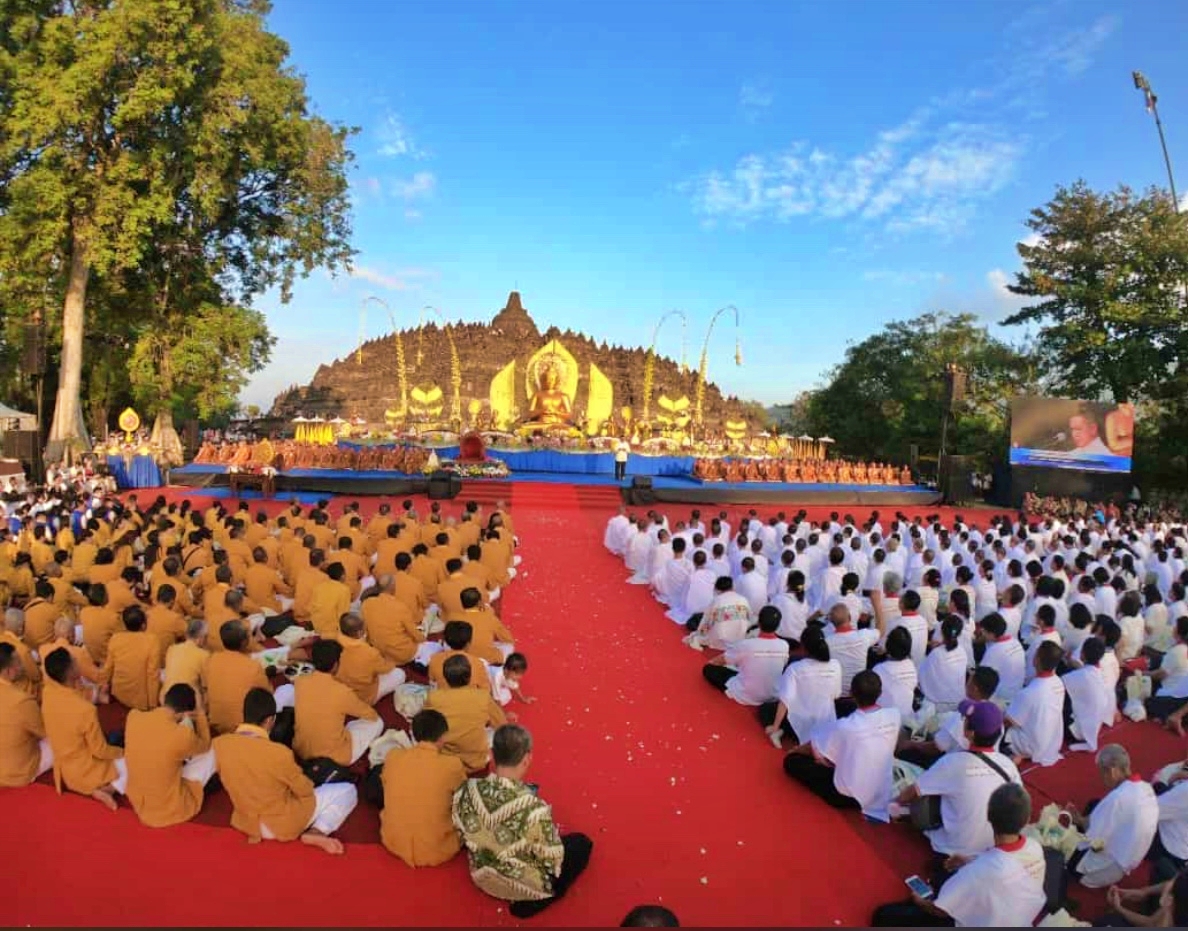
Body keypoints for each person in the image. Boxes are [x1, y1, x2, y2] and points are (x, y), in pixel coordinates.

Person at [453, 724, 593, 918]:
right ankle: (534, 900)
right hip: (519, 884)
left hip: (481, 875)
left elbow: (461, 831)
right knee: (581, 844)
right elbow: (553, 860)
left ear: (492, 754)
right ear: (527, 759)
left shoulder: (466, 789)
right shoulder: (535, 809)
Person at [871, 783, 1047, 927]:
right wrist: (970, 861)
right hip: (1018, 918)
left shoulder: (979, 871)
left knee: (884, 916)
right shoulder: (1035, 848)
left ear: (989, 816)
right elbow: (1006, 867)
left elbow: (939, 911)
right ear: (1026, 819)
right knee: (943, 875)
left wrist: (921, 902)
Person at [213, 688, 358, 855]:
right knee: (348, 790)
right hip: (281, 824)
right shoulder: (278, 753)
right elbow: (304, 790)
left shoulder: (220, 745)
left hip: (246, 822)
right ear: (269, 721)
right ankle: (317, 831)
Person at [895, 701, 1021, 859]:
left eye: (965, 720)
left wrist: (894, 803)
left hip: (952, 850)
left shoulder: (953, 762)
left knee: (923, 797)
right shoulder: (1009, 766)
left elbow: (913, 792)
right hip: (993, 851)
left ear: (970, 733)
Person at [782, 670, 900, 821]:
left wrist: (795, 750)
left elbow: (814, 747)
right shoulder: (894, 715)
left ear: (852, 693)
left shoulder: (846, 726)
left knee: (793, 761)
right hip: (879, 791)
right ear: (880, 693)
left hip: (846, 795)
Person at [40, 647, 127, 810]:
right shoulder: (85, 711)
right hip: (86, 770)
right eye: (75, 661)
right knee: (135, 760)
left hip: (64, 769)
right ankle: (108, 789)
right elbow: (99, 751)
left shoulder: (48, 693)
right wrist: (122, 753)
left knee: (115, 737)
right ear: (72, 671)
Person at [379, 709, 467, 868]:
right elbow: (464, 797)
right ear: (443, 736)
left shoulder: (393, 756)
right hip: (440, 848)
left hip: (394, 841)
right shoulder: (452, 765)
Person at [124, 683, 217, 827]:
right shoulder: (182, 735)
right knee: (214, 750)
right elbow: (205, 745)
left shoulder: (133, 717)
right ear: (184, 713)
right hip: (169, 808)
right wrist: (200, 713)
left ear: (164, 700)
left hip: (139, 801)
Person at [1065, 744, 1159, 889]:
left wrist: (1077, 821)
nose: (1101, 778)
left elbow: (1092, 838)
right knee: (1094, 804)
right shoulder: (1146, 787)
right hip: (1126, 859)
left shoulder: (1117, 798)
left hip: (1103, 869)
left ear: (1112, 771)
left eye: (1102, 773)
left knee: (1062, 848)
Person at [293, 639, 382, 767]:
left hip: (302, 750)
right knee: (377, 722)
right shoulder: (342, 692)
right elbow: (370, 715)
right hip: (333, 758)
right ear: (335, 664)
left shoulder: (300, 679)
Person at [759, 625, 841, 747]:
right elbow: (836, 695)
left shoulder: (795, 668)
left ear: (804, 647)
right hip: (825, 722)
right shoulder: (835, 665)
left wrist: (775, 727)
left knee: (765, 709)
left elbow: (784, 701)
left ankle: (781, 731)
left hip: (800, 721)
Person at [426, 654, 507, 772]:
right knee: (500, 732)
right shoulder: (483, 697)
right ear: (469, 677)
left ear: (445, 677)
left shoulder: (434, 697)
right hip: (476, 760)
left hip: (444, 756)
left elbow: (427, 726)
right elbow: (502, 725)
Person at [702, 605, 788, 705]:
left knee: (709, 669)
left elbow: (721, 660)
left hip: (745, 694)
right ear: (778, 626)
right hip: (772, 695)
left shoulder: (747, 645)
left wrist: (710, 662)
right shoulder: (784, 645)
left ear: (759, 623)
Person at [1004, 641, 1066, 767]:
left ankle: (1011, 756)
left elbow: (1008, 722)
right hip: (1052, 741)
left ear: (1036, 660)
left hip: (1031, 745)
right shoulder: (1058, 683)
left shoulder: (1029, 693)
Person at [0, 641, 53, 787]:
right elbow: (46, 732)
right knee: (64, 737)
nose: (22, 665)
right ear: (8, 671)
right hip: (18, 772)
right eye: (18, 662)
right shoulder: (21, 701)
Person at [99, 605, 164, 712]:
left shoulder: (116, 638)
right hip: (141, 700)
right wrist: (153, 704)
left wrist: (103, 686)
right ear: (143, 625)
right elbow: (152, 674)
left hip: (119, 693)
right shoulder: (152, 640)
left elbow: (108, 667)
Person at [334, 612, 405, 706]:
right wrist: (392, 660)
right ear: (359, 633)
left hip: (343, 691)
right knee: (399, 674)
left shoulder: (334, 644)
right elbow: (385, 669)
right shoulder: (369, 652)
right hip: (363, 696)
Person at [1061, 636, 1113, 752]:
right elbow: (1082, 671)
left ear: (1083, 654)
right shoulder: (1097, 673)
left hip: (1077, 732)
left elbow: (1059, 683)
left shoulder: (1082, 676)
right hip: (1094, 726)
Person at [684, 576, 751, 651]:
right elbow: (748, 619)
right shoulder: (743, 599)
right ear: (732, 587)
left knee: (701, 629)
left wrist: (700, 633)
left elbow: (706, 622)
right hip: (739, 639)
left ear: (718, 589)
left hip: (720, 640)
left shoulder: (717, 600)